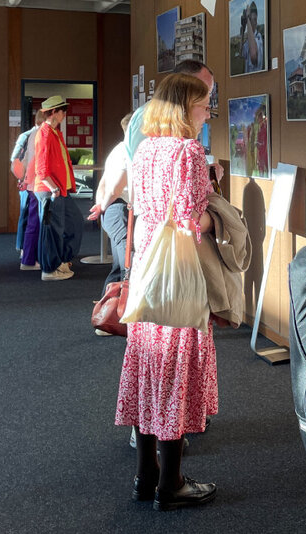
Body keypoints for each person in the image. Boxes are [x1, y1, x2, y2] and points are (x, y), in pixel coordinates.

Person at [113, 73, 217, 511]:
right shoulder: (188, 151)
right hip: (177, 272)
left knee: (148, 368)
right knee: (176, 369)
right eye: (204, 105)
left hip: (148, 271)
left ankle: (145, 475)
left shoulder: (147, 148)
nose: (208, 113)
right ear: (185, 108)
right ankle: (171, 484)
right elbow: (192, 220)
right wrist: (220, 217)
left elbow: (142, 206)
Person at [87, 113, 134, 334]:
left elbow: (104, 183)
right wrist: (102, 207)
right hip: (118, 210)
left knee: (120, 265)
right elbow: (114, 188)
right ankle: (116, 318)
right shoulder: (127, 152)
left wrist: (101, 207)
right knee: (128, 266)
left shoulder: (119, 149)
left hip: (113, 210)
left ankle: (108, 318)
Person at [33, 96, 83, 281]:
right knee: (52, 230)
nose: (65, 115)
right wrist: (53, 189)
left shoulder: (55, 133)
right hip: (50, 190)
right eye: (63, 111)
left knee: (74, 223)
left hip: (60, 190)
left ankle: (62, 260)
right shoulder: (45, 133)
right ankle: (50, 269)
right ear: (54, 112)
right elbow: (41, 169)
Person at [11, 111, 43, 270]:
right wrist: (22, 178)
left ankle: (25, 250)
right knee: (26, 215)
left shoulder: (30, 135)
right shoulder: (28, 135)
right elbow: (15, 159)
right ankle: (23, 249)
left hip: (28, 181)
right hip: (27, 182)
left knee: (27, 216)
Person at [240, 1, 265, 73]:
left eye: (254, 19)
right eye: (250, 20)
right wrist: (242, 33)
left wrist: (247, 18)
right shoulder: (248, 41)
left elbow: (253, 56)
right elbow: (241, 54)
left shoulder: (258, 37)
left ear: (256, 21)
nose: (251, 22)